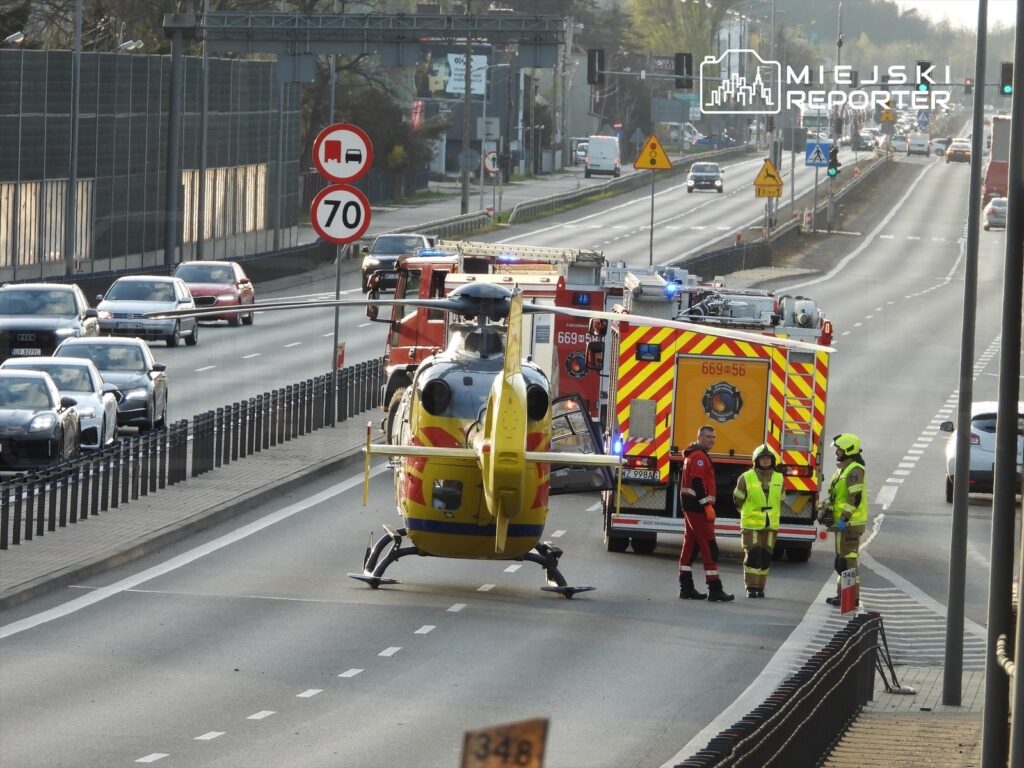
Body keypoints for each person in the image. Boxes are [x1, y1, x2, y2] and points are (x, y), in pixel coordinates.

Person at [678, 425, 734, 602]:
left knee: (690, 546)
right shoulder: (699, 457)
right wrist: (706, 506)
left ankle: (686, 587)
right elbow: (697, 483)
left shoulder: (693, 455)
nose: (712, 440)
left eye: (714, 437)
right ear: (699, 437)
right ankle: (715, 588)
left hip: (691, 507)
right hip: (698, 509)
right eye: (708, 436)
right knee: (709, 546)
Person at [820, 433, 868, 607]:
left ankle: (850, 598)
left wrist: (843, 518)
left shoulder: (854, 470)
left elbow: (853, 498)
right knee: (842, 561)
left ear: (848, 450)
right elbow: (836, 498)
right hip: (844, 524)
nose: (836, 453)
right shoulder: (843, 469)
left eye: (839, 450)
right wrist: (824, 508)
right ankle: (842, 596)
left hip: (850, 524)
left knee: (847, 561)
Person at [733, 445, 783, 598]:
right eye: (763, 458)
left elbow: (780, 499)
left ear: (773, 460)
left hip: (770, 525)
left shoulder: (779, 478)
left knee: (766, 555)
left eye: (768, 458)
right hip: (751, 525)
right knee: (754, 553)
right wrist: (748, 514)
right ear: (756, 460)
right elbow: (738, 499)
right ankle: (751, 587)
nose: (766, 460)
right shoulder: (745, 477)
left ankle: (760, 588)